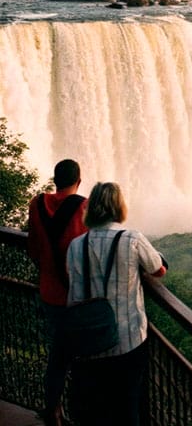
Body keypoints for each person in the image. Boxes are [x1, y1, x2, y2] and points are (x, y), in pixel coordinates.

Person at [66, 182, 166, 426]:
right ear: (119, 207)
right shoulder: (131, 238)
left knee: (95, 410)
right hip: (128, 339)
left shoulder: (76, 245)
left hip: (88, 340)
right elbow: (158, 270)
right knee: (128, 406)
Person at [26, 159, 88, 426]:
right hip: (79, 298)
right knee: (83, 358)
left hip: (49, 293)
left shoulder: (36, 204)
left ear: (54, 180)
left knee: (58, 355)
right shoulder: (85, 207)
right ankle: (80, 414)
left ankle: (53, 409)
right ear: (79, 181)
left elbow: (33, 248)